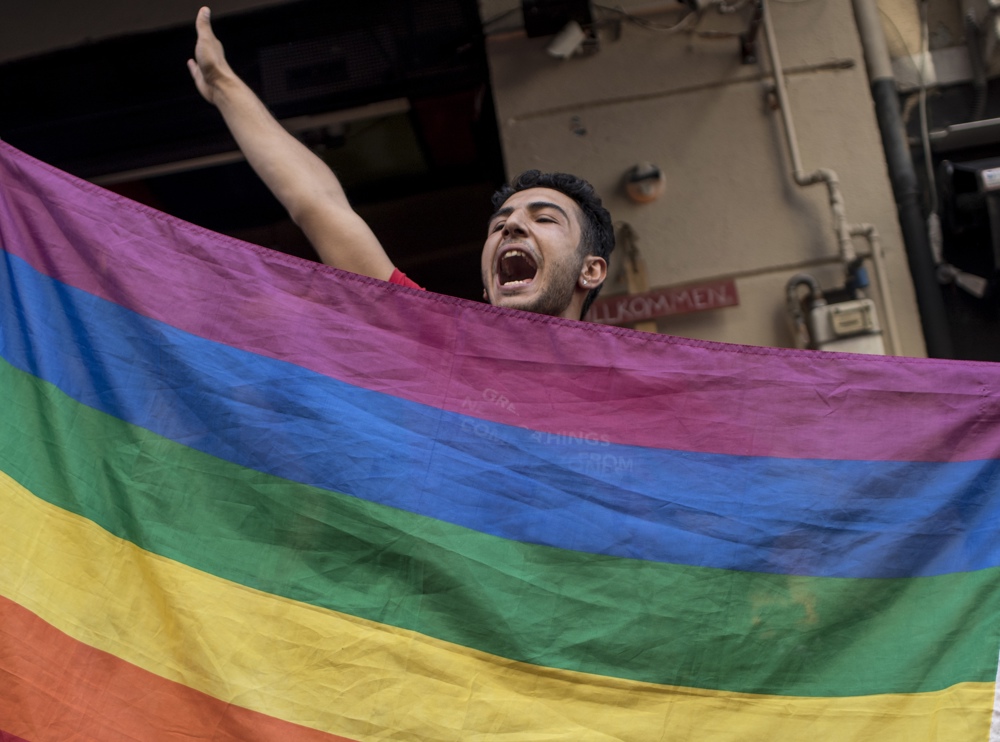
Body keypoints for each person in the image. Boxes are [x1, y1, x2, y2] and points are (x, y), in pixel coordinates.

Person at [188, 6, 614, 320]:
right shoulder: (435, 337)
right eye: (499, 225)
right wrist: (225, 86)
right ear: (487, 286)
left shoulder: (638, 395)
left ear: (591, 270)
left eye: (545, 219)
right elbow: (319, 204)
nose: (512, 227)